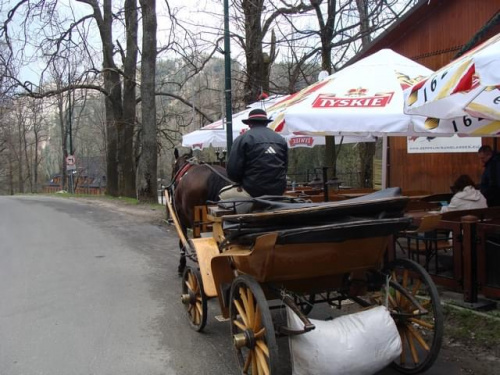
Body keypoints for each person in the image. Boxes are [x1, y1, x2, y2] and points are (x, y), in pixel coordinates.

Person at [220, 108, 288, 211]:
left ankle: (236, 222)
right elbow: (285, 167)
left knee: (222, 194)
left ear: (249, 124)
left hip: (252, 190)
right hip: (278, 190)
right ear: (266, 123)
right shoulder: (280, 139)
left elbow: (233, 172)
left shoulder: (242, 139)